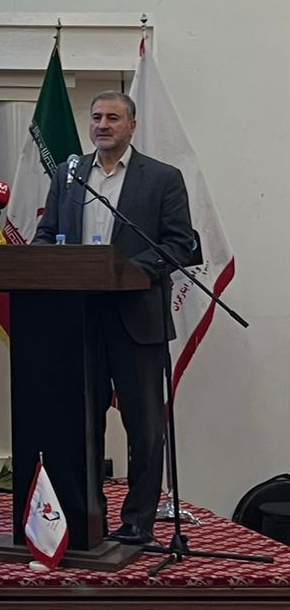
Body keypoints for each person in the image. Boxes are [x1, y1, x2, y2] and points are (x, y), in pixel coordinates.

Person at [32, 90, 194, 546]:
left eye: (113, 118)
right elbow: (46, 234)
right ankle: (86, 517)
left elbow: (179, 244)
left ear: (132, 126)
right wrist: (41, 263)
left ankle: (139, 520)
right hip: (78, 320)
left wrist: (125, 271)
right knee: (81, 424)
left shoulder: (162, 178)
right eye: (97, 117)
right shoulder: (68, 175)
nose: (102, 125)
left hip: (136, 319)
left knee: (144, 427)